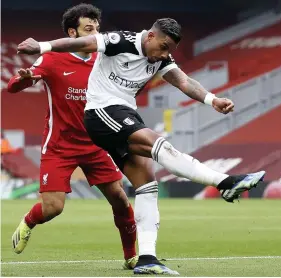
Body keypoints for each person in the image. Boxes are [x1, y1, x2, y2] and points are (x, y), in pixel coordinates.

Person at [17, 18, 266, 275]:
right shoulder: (121, 41)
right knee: (159, 144)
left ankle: (147, 258)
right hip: (101, 112)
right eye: (163, 46)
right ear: (150, 37)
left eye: (170, 50)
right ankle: (224, 183)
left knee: (147, 184)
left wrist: (212, 100)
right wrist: (43, 46)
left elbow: (184, 82)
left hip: (126, 114)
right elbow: (84, 42)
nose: (165, 54)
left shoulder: (160, 59)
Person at [8, 3, 141, 270]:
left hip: (97, 143)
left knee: (119, 198)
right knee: (53, 208)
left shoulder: (104, 58)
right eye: (88, 29)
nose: (95, 34)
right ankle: (28, 222)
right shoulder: (52, 58)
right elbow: (13, 86)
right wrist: (24, 79)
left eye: (97, 28)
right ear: (72, 33)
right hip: (59, 145)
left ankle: (131, 256)